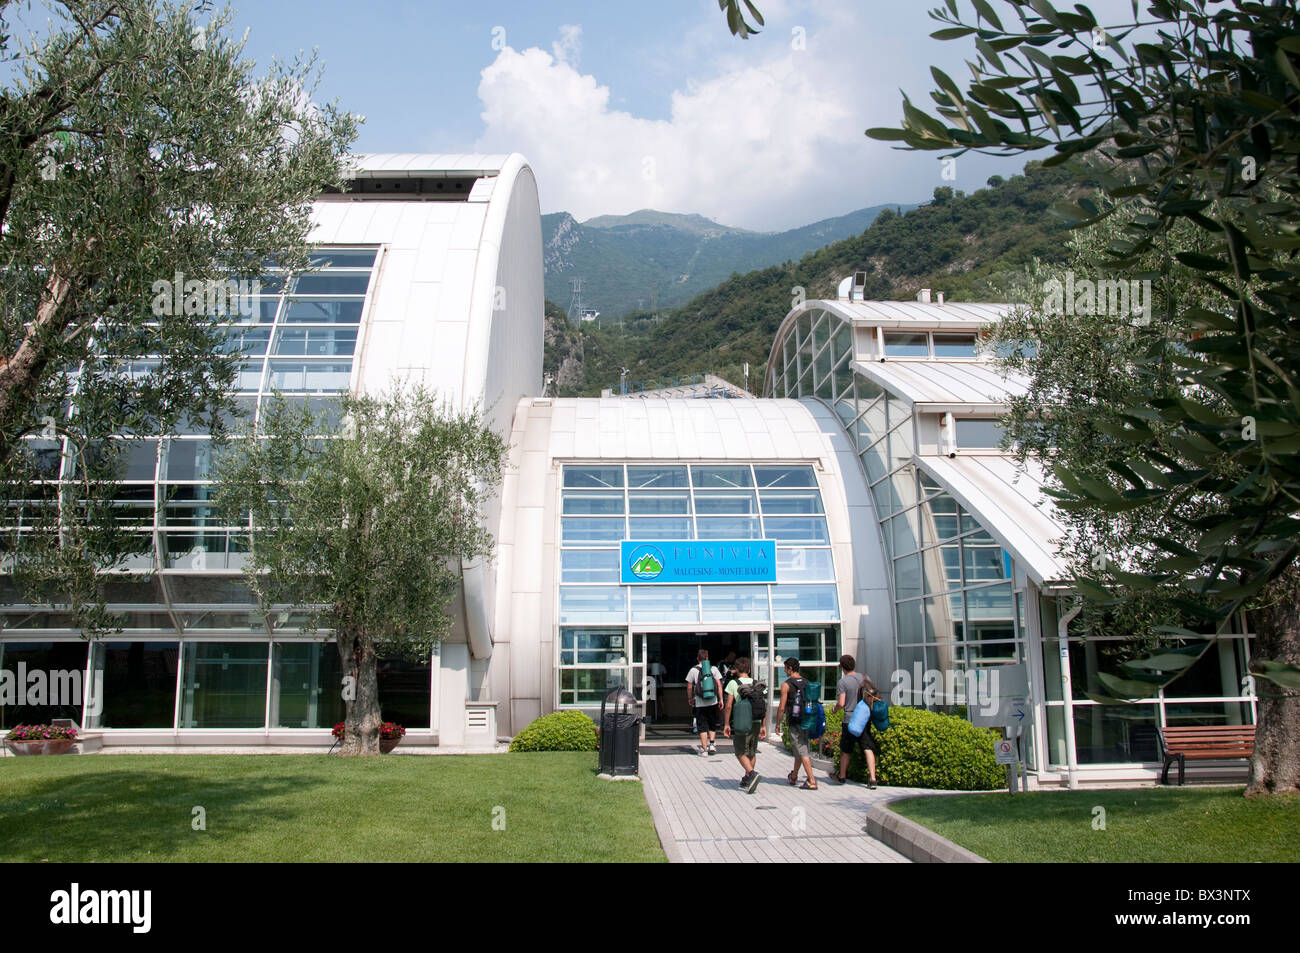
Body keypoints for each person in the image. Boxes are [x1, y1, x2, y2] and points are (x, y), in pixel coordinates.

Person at [833, 654, 878, 788]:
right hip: (864, 719)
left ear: (842, 667)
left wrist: (835, 710)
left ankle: (842, 777)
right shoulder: (865, 678)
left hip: (850, 719)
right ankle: (873, 779)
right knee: (867, 747)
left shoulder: (843, 682)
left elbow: (841, 702)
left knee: (846, 749)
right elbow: (872, 696)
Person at [722, 656, 766, 793]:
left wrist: (726, 724)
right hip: (756, 721)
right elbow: (763, 705)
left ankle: (752, 774)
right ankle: (748, 778)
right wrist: (764, 725)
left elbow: (729, 706)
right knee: (752, 751)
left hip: (742, 721)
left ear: (736, 670)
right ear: (749, 669)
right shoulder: (757, 684)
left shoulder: (733, 684)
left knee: (740, 750)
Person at [777, 657, 817, 789]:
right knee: (800, 748)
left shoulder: (786, 684)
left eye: (785, 668)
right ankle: (794, 776)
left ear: (790, 668)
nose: (784, 670)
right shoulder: (806, 682)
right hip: (807, 720)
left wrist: (778, 723)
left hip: (794, 721)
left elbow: (782, 707)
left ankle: (811, 780)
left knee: (801, 750)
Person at [685, 649, 723, 756]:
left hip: (700, 702)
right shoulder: (714, 669)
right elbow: (719, 685)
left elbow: (689, 686)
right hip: (713, 701)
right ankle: (712, 744)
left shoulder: (693, 670)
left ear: (698, 658)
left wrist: (690, 698)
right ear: (707, 658)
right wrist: (720, 699)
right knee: (712, 723)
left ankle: (704, 749)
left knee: (702, 725)